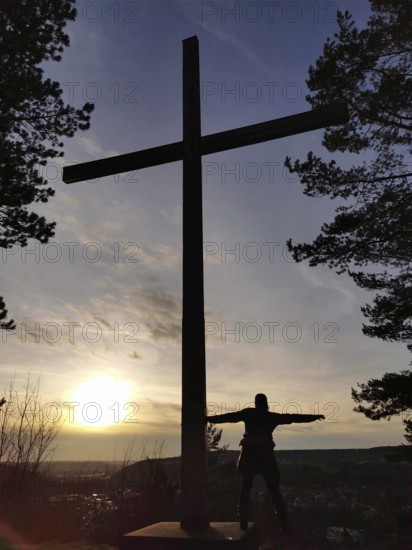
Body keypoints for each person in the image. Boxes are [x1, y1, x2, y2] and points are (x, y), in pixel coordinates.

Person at [206, 393, 325, 533]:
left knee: (246, 490)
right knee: (274, 492)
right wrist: (313, 417)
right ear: (266, 403)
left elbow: (229, 417)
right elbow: (293, 418)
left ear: (255, 403)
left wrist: (208, 419)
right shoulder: (271, 417)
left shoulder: (249, 413)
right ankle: (284, 526)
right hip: (265, 456)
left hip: (249, 455)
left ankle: (243, 522)